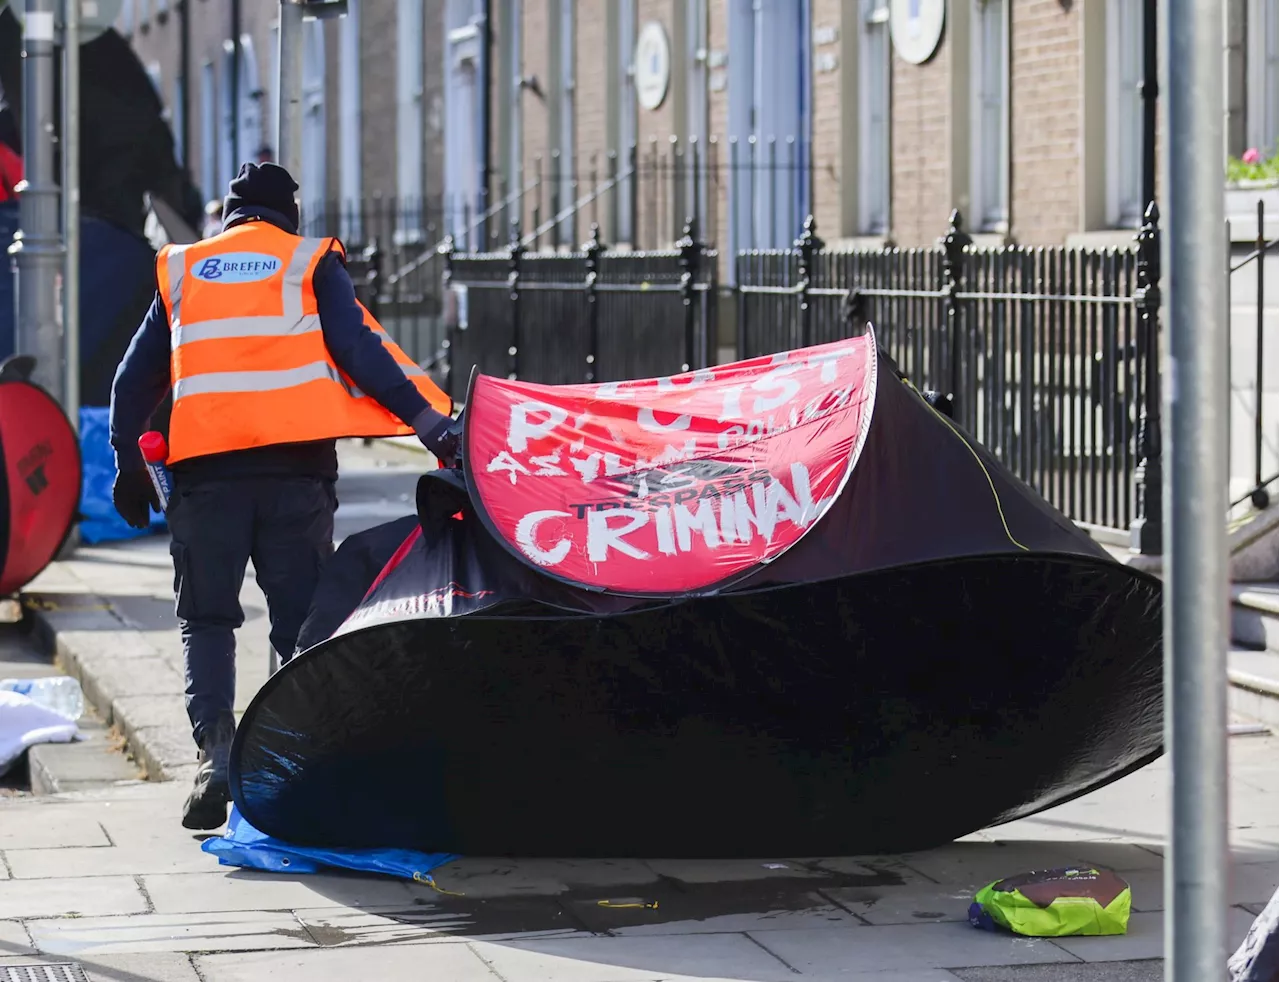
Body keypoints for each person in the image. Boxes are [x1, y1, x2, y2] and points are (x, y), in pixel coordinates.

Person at [108, 162, 458, 830]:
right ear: (288, 214)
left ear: (231, 216)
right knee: (301, 622)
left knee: (207, 619)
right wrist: (429, 424)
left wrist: (126, 461)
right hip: (295, 479)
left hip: (207, 481)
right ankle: (297, 757)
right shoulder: (306, 262)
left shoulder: (182, 268)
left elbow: (132, 379)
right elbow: (361, 350)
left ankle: (215, 753)